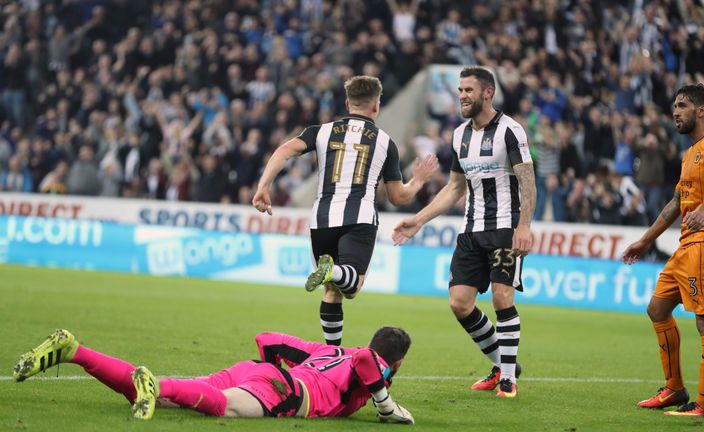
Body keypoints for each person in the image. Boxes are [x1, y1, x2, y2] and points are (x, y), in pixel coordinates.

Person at [252, 76, 437, 346]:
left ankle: (332, 354)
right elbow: (398, 197)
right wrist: (418, 181)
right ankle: (334, 272)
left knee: (331, 292)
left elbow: (284, 151)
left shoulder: (322, 131)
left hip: (322, 218)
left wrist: (263, 187)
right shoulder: (385, 143)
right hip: (359, 216)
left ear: (348, 102)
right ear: (376, 105)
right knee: (351, 286)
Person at [392, 67, 535, 398]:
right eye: (459, 90)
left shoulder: (511, 131)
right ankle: (504, 364)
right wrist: (419, 219)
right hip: (471, 229)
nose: (461, 95)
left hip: (505, 228)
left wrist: (524, 225)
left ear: (488, 92)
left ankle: (508, 381)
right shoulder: (459, 135)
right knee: (459, 304)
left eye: (468, 90)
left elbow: (527, 181)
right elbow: (455, 188)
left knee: (502, 297)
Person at [13, 327, 414, 424]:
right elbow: (365, 360)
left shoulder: (327, 350)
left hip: (258, 371)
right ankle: (156, 383)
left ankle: (74, 351)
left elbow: (267, 338)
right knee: (226, 410)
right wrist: (386, 405)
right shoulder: (374, 365)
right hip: (285, 391)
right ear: (395, 364)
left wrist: (279, 369)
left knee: (169, 398)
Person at [621, 84, 704, 417]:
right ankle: (674, 388)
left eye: (682, 105)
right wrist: (645, 240)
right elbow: (676, 203)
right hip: (687, 245)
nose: (675, 111)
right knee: (657, 309)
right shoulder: (690, 153)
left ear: (702, 111)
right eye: (674, 105)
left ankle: (703, 404)